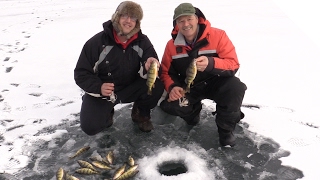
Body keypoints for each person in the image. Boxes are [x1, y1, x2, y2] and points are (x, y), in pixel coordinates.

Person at [160, 3, 247, 147]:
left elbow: (233, 64)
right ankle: (192, 115)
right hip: (189, 86)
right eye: (181, 21)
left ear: (197, 19)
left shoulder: (218, 35)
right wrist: (173, 87)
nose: (186, 24)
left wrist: (211, 63)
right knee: (171, 105)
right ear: (176, 24)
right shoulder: (172, 45)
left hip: (217, 83)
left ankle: (226, 130)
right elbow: (165, 72)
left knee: (236, 88)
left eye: (189, 19)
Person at [74, 1, 164, 136]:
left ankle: (140, 113)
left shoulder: (143, 41)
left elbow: (155, 67)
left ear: (137, 22)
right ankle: (107, 112)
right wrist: (99, 87)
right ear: (117, 17)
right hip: (105, 92)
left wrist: (151, 64)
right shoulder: (97, 42)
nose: (128, 21)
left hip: (130, 88)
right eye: (125, 16)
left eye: (133, 17)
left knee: (156, 85)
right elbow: (81, 73)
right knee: (91, 127)